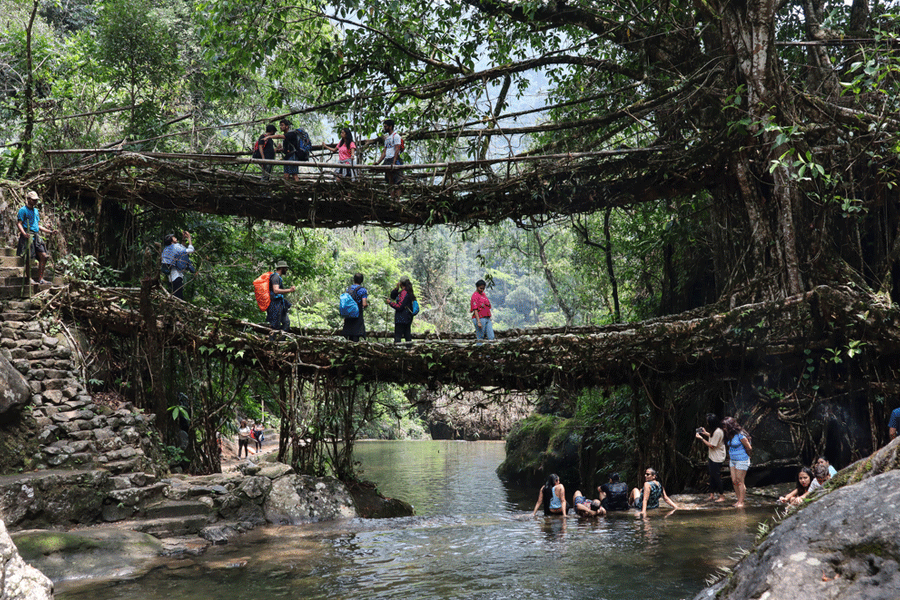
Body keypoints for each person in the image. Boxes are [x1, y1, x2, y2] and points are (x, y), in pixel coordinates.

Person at [16, 190, 57, 285]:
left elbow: (38, 225)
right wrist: (24, 233)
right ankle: (29, 278)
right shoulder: (23, 210)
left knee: (44, 256)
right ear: (28, 199)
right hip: (27, 235)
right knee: (29, 258)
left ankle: (40, 278)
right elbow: (19, 223)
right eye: (33, 200)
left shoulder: (36, 211)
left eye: (36, 200)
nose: (35, 202)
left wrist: (50, 232)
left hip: (36, 236)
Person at [722, 416, 753, 507]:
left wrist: (747, 456)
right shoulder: (729, 436)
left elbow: (749, 447)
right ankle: (738, 500)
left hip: (742, 460)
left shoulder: (740, 435)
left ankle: (741, 502)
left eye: (725, 426)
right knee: (734, 481)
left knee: (740, 481)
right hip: (733, 461)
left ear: (730, 426)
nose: (723, 428)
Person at [695, 413, 726, 502]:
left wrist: (701, 438)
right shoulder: (716, 430)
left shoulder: (718, 432)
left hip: (717, 458)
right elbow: (713, 437)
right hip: (713, 457)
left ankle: (722, 496)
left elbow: (712, 445)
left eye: (708, 422)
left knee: (716, 477)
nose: (707, 423)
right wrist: (705, 433)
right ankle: (711, 495)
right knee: (712, 476)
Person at [372, 118, 403, 196]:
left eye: (386, 126)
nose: (384, 128)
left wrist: (394, 162)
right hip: (387, 159)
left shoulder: (396, 136)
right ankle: (392, 199)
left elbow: (397, 149)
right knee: (390, 180)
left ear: (390, 126)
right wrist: (378, 162)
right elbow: (384, 152)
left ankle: (398, 200)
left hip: (394, 159)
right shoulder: (387, 138)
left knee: (397, 181)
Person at [161, 231, 194, 300]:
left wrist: (183, 239)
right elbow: (190, 250)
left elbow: (182, 251)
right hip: (177, 276)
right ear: (171, 241)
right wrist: (189, 238)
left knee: (175, 296)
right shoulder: (175, 247)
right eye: (173, 237)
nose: (175, 237)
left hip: (171, 277)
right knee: (178, 298)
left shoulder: (167, 249)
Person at [267, 260, 296, 338]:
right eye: (285, 268)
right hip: (275, 304)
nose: (286, 270)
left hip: (279, 304)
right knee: (274, 326)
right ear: (282, 268)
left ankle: (280, 342)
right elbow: (276, 290)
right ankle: (272, 344)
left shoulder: (278, 277)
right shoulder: (275, 277)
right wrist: (289, 290)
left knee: (286, 323)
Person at [386, 275, 415, 343]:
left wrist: (390, 303)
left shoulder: (404, 293)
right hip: (408, 317)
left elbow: (399, 306)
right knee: (407, 335)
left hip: (401, 318)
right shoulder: (408, 292)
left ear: (401, 283)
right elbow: (393, 296)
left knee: (398, 336)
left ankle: (398, 351)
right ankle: (409, 350)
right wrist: (396, 288)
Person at [342, 273, 369, 341]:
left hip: (348, 315)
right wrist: (367, 305)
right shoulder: (363, 290)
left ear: (354, 280)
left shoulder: (348, 289)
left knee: (349, 334)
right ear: (362, 281)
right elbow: (364, 303)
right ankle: (355, 349)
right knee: (356, 335)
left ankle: (348, 350)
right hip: (357, 315)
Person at [470, 279, 494, 345]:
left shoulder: (483, 295)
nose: (482, 290)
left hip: (487, 318)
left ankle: (489, 354)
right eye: (480, 288)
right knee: (480, 337)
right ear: (477, 287)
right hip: (480, 318)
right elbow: (475, 310)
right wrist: (478, 321)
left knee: (491, 336)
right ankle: (480, 354)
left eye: (483, 288)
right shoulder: (475, 296)